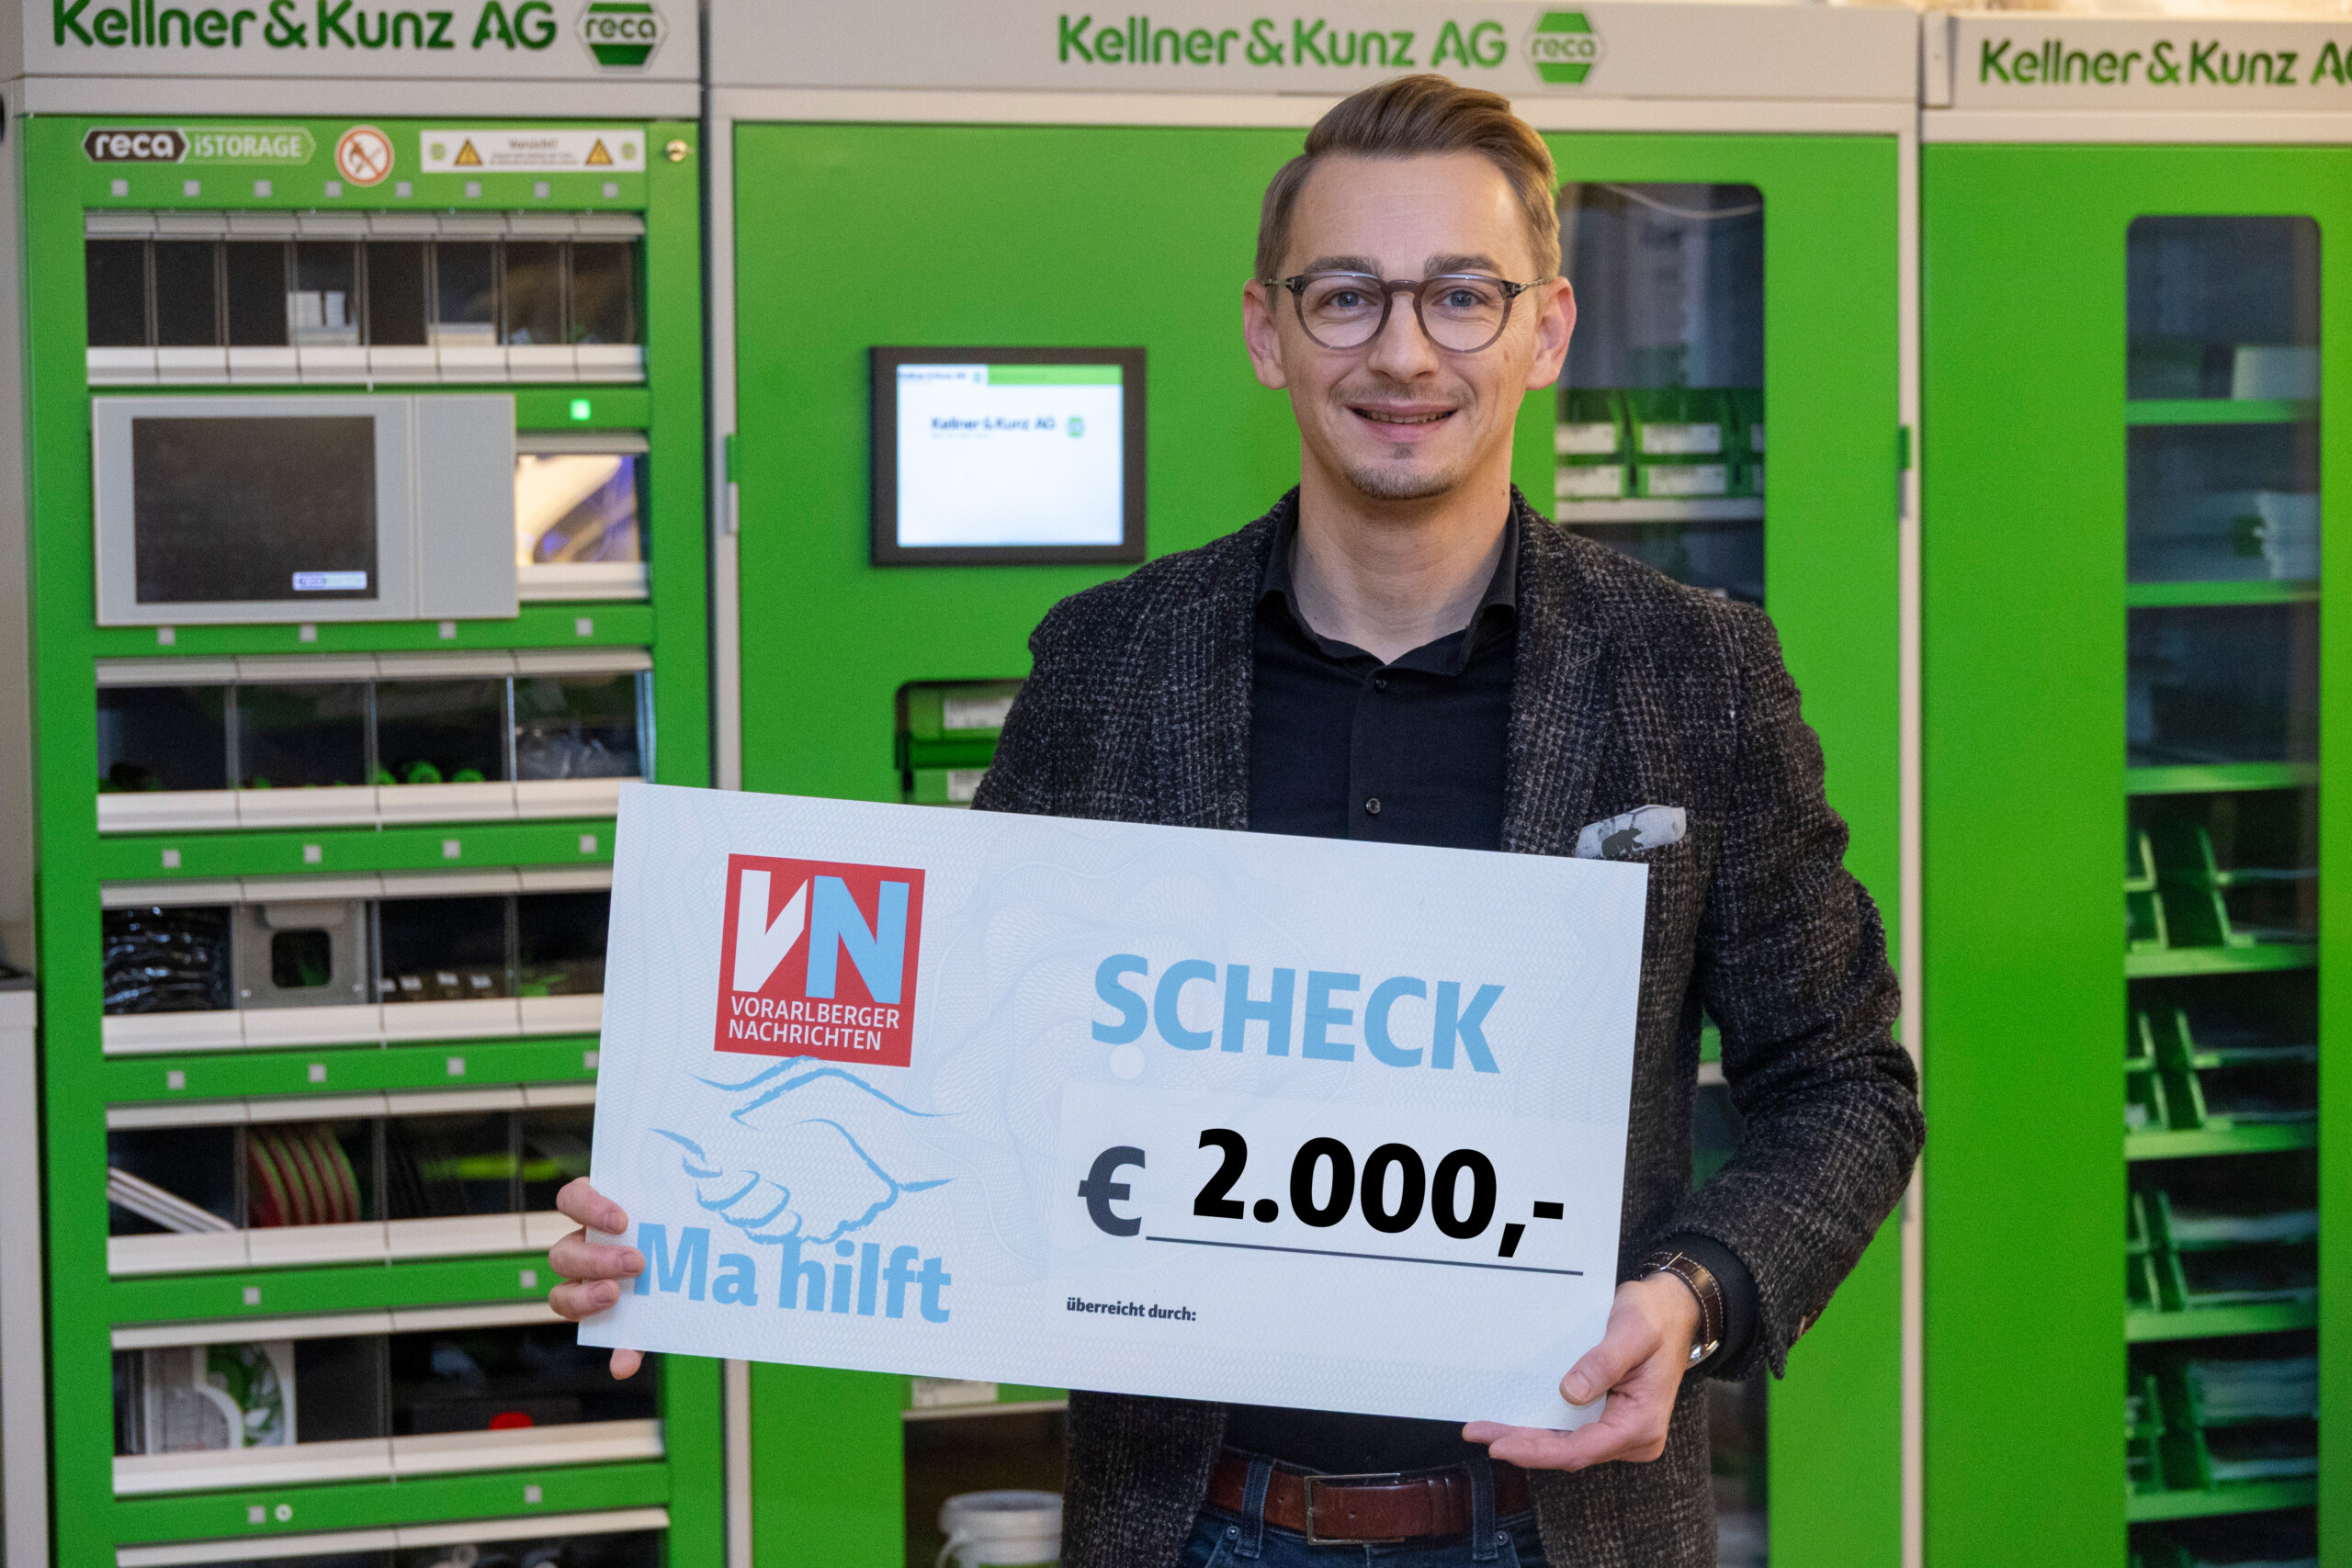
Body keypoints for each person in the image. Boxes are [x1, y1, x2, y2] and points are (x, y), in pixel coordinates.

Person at [548, 73, 1922, 1568]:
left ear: (1547, 330)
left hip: (1561, 1529)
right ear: (1269, 331)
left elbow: (1847, 1086)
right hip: (1194, 1523)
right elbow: (960, 1063)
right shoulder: (1111, 664)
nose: (1403, 351)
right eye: (1347, 295)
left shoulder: (1692, 673)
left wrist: (1695, 1294)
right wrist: (704, 1224)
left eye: (1463, 296)